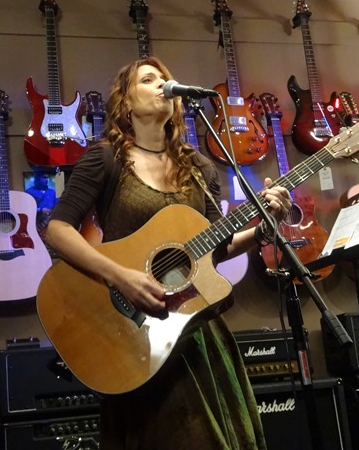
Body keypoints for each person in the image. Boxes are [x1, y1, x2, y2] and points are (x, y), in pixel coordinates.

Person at [45, 56, 292, 450]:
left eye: (165, 79)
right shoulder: (105, 158)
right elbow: (57, 230)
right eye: (148, 79)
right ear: (126, 102)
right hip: (133, 335)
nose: (162, 84)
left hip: (193, 329)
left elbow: (218, 246)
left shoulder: (199, 167)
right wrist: (120, 276)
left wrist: (263, 229)